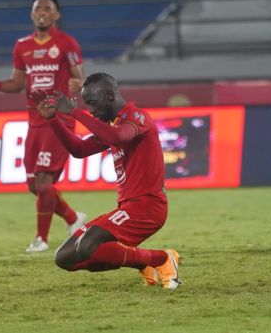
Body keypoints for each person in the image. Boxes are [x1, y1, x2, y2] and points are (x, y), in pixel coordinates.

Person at [35, 72, 181, 290]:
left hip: (147, 207)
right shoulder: (112, 126)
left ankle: (161, 258)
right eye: (86, 104)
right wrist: (53, 119)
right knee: (64, 257)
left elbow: (117, 137)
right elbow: (78, 149)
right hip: (127, 208)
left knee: (87, 247)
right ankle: (144, 262)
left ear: (110, 96)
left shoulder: (136, 117)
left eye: (92, 103)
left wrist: (74, 112)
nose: (91, 110)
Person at [0, 0, 87, 252]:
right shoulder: (22, 46)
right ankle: (73, 219)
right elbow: (17, 83)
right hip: (35, 121)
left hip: (58, 119)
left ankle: (41, 239)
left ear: (56, 14)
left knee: (43, 180)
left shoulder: (66, 43)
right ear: (31, 14)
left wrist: (76, 84)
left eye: (47, 8)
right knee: (35, 185)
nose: (42, 11)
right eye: (38, 8)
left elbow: (79, 78)